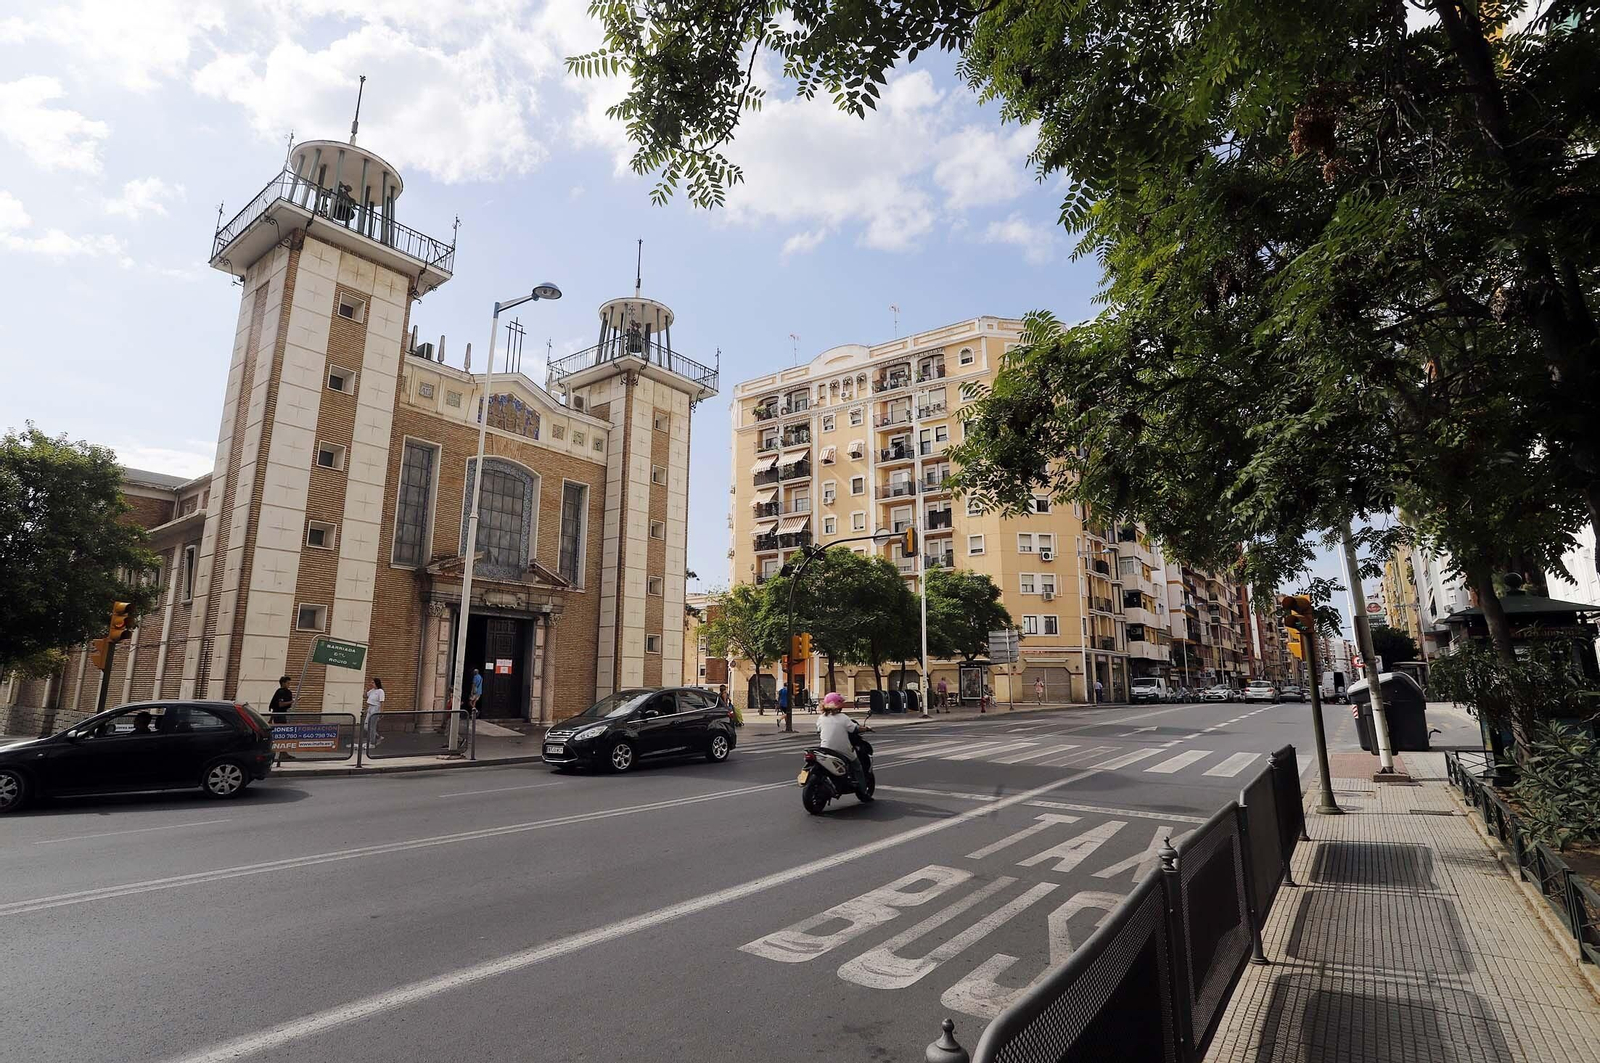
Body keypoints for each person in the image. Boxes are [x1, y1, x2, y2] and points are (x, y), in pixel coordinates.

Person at [815, 692, 868, 795]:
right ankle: (863, 791)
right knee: (857, 766)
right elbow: (855, 729)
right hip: (842, 750)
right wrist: (866, 728)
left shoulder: (821, 717)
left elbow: (818, 730)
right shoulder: (843, 717)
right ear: (839, 704)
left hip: (825, 749)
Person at [364, 677, 385, 749]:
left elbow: (382, 702)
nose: (371, 684)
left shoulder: (380, 691)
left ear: (377, 683)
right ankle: (378, 736)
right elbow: (364, 696)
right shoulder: (372, 690)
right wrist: (367, 689)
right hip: (370, 707)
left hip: (376, 708)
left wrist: (381, 712)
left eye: (373, 682)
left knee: (372, 726)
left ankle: (372, 742)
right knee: (366, 726)